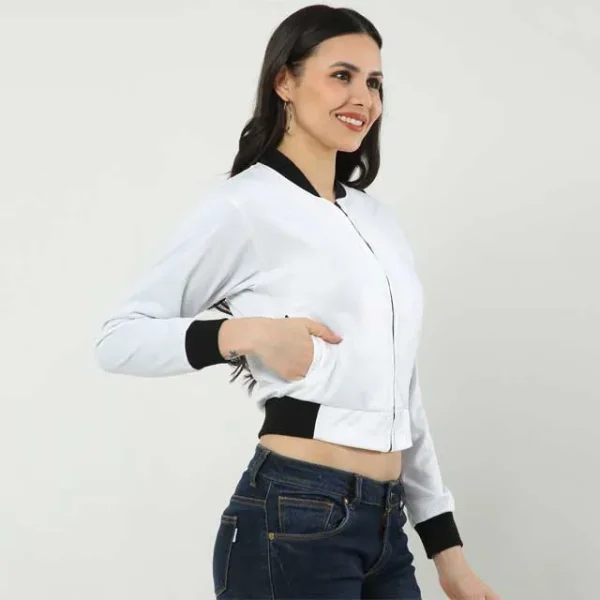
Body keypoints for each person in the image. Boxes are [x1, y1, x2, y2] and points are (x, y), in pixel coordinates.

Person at [94, 5, 500, 599]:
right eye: (341, 76)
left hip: (386, 531)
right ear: (285, 81)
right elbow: (117, 339)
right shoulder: (244, 206)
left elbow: (402, 395)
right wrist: (246, 334)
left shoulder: (378, 221)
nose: (363, 98)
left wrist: (448, 553)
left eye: (374, 82)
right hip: (292, 517)